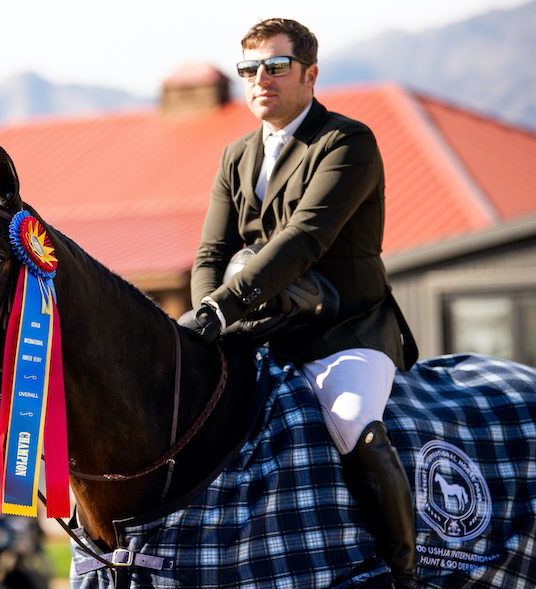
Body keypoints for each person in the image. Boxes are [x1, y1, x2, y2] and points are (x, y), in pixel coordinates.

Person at [179, 18, 419, 589]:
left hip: (347, 329)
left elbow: (305, 239)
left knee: (351, 421)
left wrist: (218, 310)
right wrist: (199, 326)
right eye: (249, 68)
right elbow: (212, 250)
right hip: (263, 328)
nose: (260, 78)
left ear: (310, 74)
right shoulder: (236, 155)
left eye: (276, 66)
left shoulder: (347, 141)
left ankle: (404, 569)